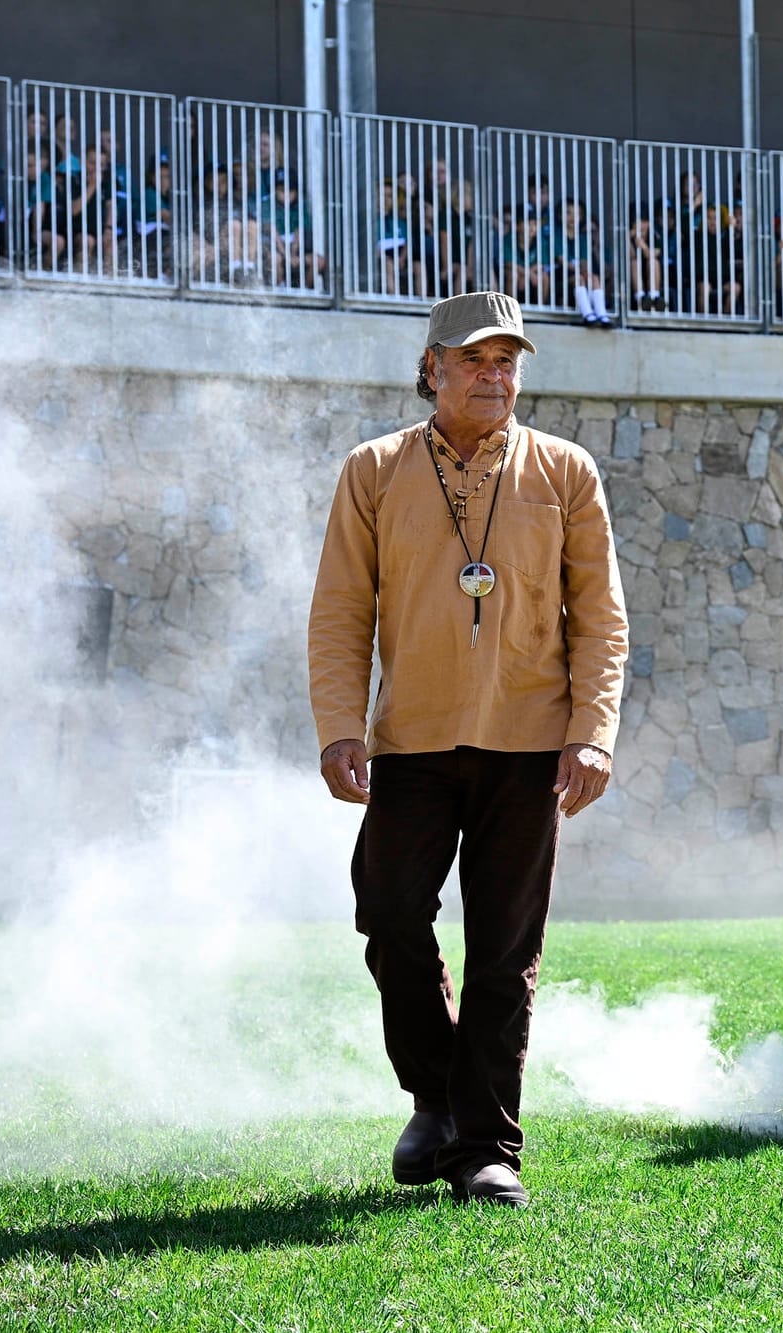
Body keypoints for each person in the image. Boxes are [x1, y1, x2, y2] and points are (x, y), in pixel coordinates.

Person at [308, 292, 628, 1207]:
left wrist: (592, 733)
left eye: (507, 361)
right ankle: (436, 1095)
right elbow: (341, 611)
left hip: (529, 745)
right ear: (432, 368)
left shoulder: (564, 470)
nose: (495, 376)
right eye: (475, 360)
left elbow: (601, 619)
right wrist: (339, 726)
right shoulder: (373, 470)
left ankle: (487, 1147)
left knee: (502, 952)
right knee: (388, 914)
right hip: (409, 739)